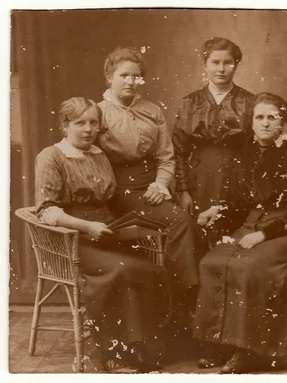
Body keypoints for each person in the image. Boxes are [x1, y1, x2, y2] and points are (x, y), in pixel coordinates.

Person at [35, 97, 167, 373]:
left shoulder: (98, 154)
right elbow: (47, 211)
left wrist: (132, 223)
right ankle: (112, 354)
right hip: (72, 239)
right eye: (79, 123)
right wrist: (86, 227)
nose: (88, 129)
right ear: (64, 126)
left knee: (149, 269)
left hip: (107, 232)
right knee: (122, 270)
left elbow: (111, 201)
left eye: (93, 122)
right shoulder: (52, 156)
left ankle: (141, 347)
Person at [193, 93, 287, 373]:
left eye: (271, 117)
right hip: (250, 224)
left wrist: (265, 234)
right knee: (211, 262)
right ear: (251, 122)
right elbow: (237, 201)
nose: (264, 123)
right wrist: (218, 211)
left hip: (285, 230)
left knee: (248, 266)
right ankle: (220, 345)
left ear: (283, 122)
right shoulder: (246, 155)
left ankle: (252, 351)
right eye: (259, 117)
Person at [96, 47, 198, 327]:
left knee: (187, 224)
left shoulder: (152, 110)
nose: (130, 81)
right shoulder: (98, 113)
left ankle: (181, 302)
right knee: (180, 222)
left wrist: (161, 184)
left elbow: (166, 156)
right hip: (119, 193)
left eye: (136, 77)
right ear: (109, 77)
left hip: (152, 187)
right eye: (123, 75)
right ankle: (183, 300)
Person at [172, 37, 255, 217]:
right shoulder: (190, 102)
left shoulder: (250, 101)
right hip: (200, 176)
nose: (221, 69)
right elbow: (179, 150)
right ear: (205, 65)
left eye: (228, 63)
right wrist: (183, 190)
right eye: (215, 62)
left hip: (237, 175)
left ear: (236, 65)